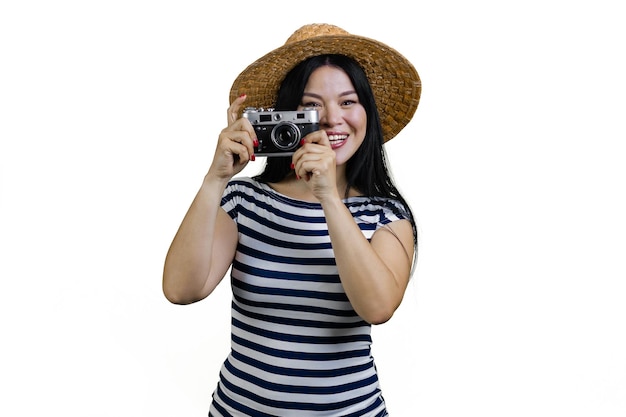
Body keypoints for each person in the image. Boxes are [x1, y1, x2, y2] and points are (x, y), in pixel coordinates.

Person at [163, 23, 421, 417]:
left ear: (368, 112)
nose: (332, 119)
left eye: (348, 102)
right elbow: (181, 290)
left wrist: (329, 198)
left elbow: (378, 307)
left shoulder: (386, 214)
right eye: (311, 105)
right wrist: (215, 179)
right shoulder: (243, 201)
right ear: (287, 115)